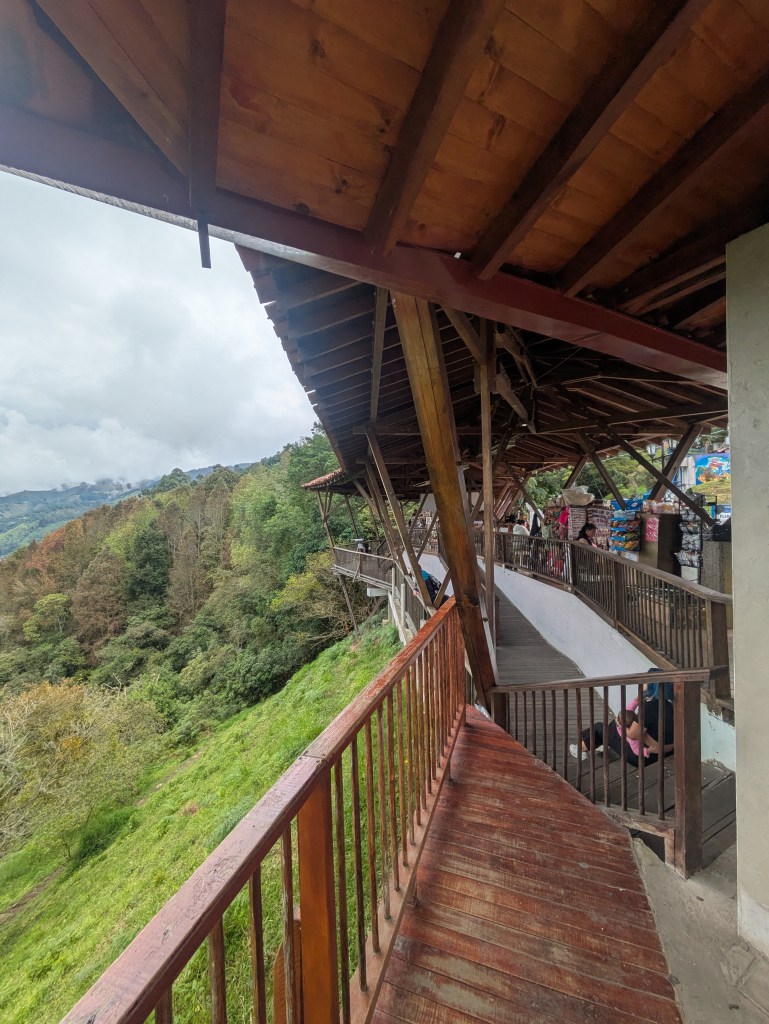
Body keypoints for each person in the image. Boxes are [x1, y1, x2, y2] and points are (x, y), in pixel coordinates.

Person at [570, 696, 673, 766]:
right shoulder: (672, 708)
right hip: (663, 752)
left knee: (600, 728)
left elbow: (636, 744)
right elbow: (632, 705)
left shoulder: (652, 707)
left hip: (641, 758)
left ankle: (580, 749)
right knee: (612, 726)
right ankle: (603, 742)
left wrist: (648, 749)